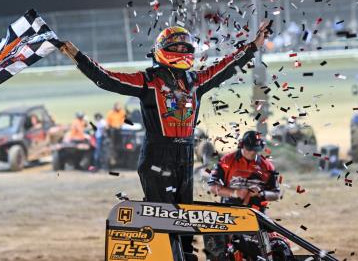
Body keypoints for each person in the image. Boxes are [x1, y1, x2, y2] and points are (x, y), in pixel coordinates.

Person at [59, 22, 270, 258]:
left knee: (186, 220)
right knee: (163, 221)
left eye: (185, 46)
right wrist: (78, 56)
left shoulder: (195, 81)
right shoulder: (147, 80)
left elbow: (225, 66)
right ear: (162, 48)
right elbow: (106, 79)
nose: (181, 50)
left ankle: (187, 256)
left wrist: (252, 47)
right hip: (157, 157)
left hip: (185, 157)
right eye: (176, 46)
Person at [206, 131, 288, 261]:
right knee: (222, 252)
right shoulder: (227, 161)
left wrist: (262, 193)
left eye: (255, 150)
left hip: (256, 215)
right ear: (241, 146)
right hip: (229, 213)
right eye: (249, 149)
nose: (251, 153)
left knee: (256, 253)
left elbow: (277, 193)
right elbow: (212, 186)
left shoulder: (267, 166)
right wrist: (235, 192)